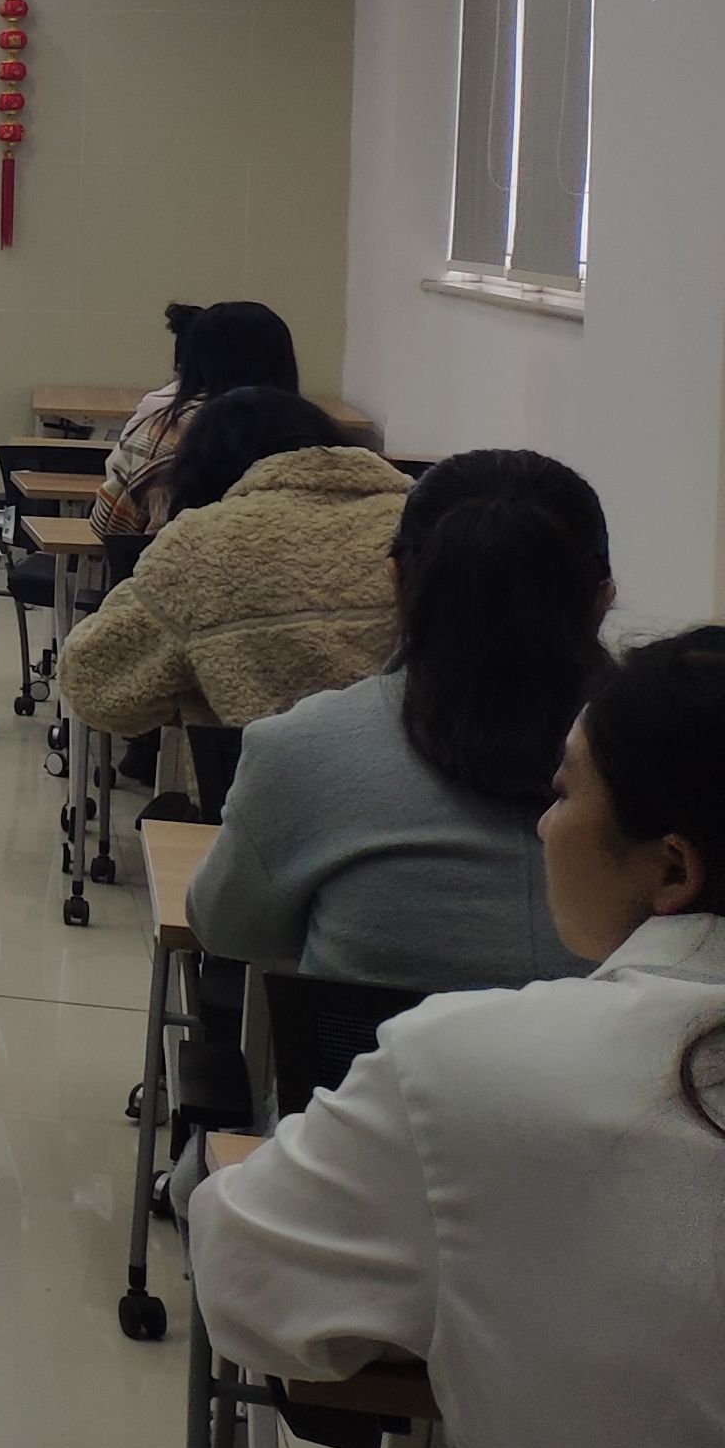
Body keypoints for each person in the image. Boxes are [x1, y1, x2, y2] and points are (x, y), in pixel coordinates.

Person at [187, 625, 725, 1448]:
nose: (539, 824)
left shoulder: (483, 1070)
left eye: (563, 794)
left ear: (673, 870)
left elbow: (246, 1282)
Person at [186, 450, 612, 989]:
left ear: (396, 582)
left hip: (370, 1049)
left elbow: (227, 930)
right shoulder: (685, 755)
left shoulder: (301, 748)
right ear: (603, 600)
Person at [55, 389, 405, 809]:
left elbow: (92, 684)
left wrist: (192, 675)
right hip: (415, 803)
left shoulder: (203, 541)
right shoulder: (423, 520)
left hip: (266, 811)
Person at [96, 297, 298, 533]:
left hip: (176, 554)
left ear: (194, 361)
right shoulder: (311, 432)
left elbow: (108, 524)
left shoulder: (166, 430)